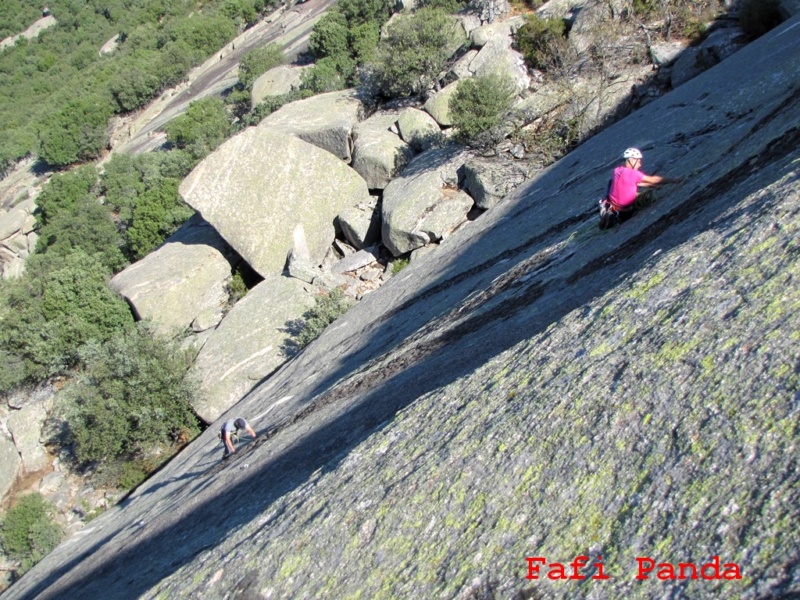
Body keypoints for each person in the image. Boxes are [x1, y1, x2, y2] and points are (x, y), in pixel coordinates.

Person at [599, 148, 682, 229]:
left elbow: (628, 182)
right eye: (638, 161)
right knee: (638, 197)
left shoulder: (617, 171)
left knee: (612, 182)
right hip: (623, 211)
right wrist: (673, 180)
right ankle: (612, 217)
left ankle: (608, 213)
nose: (640, 164)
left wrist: (650, 185)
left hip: (610, 206)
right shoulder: (633, 173)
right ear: (631, 160)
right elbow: (654, 180)